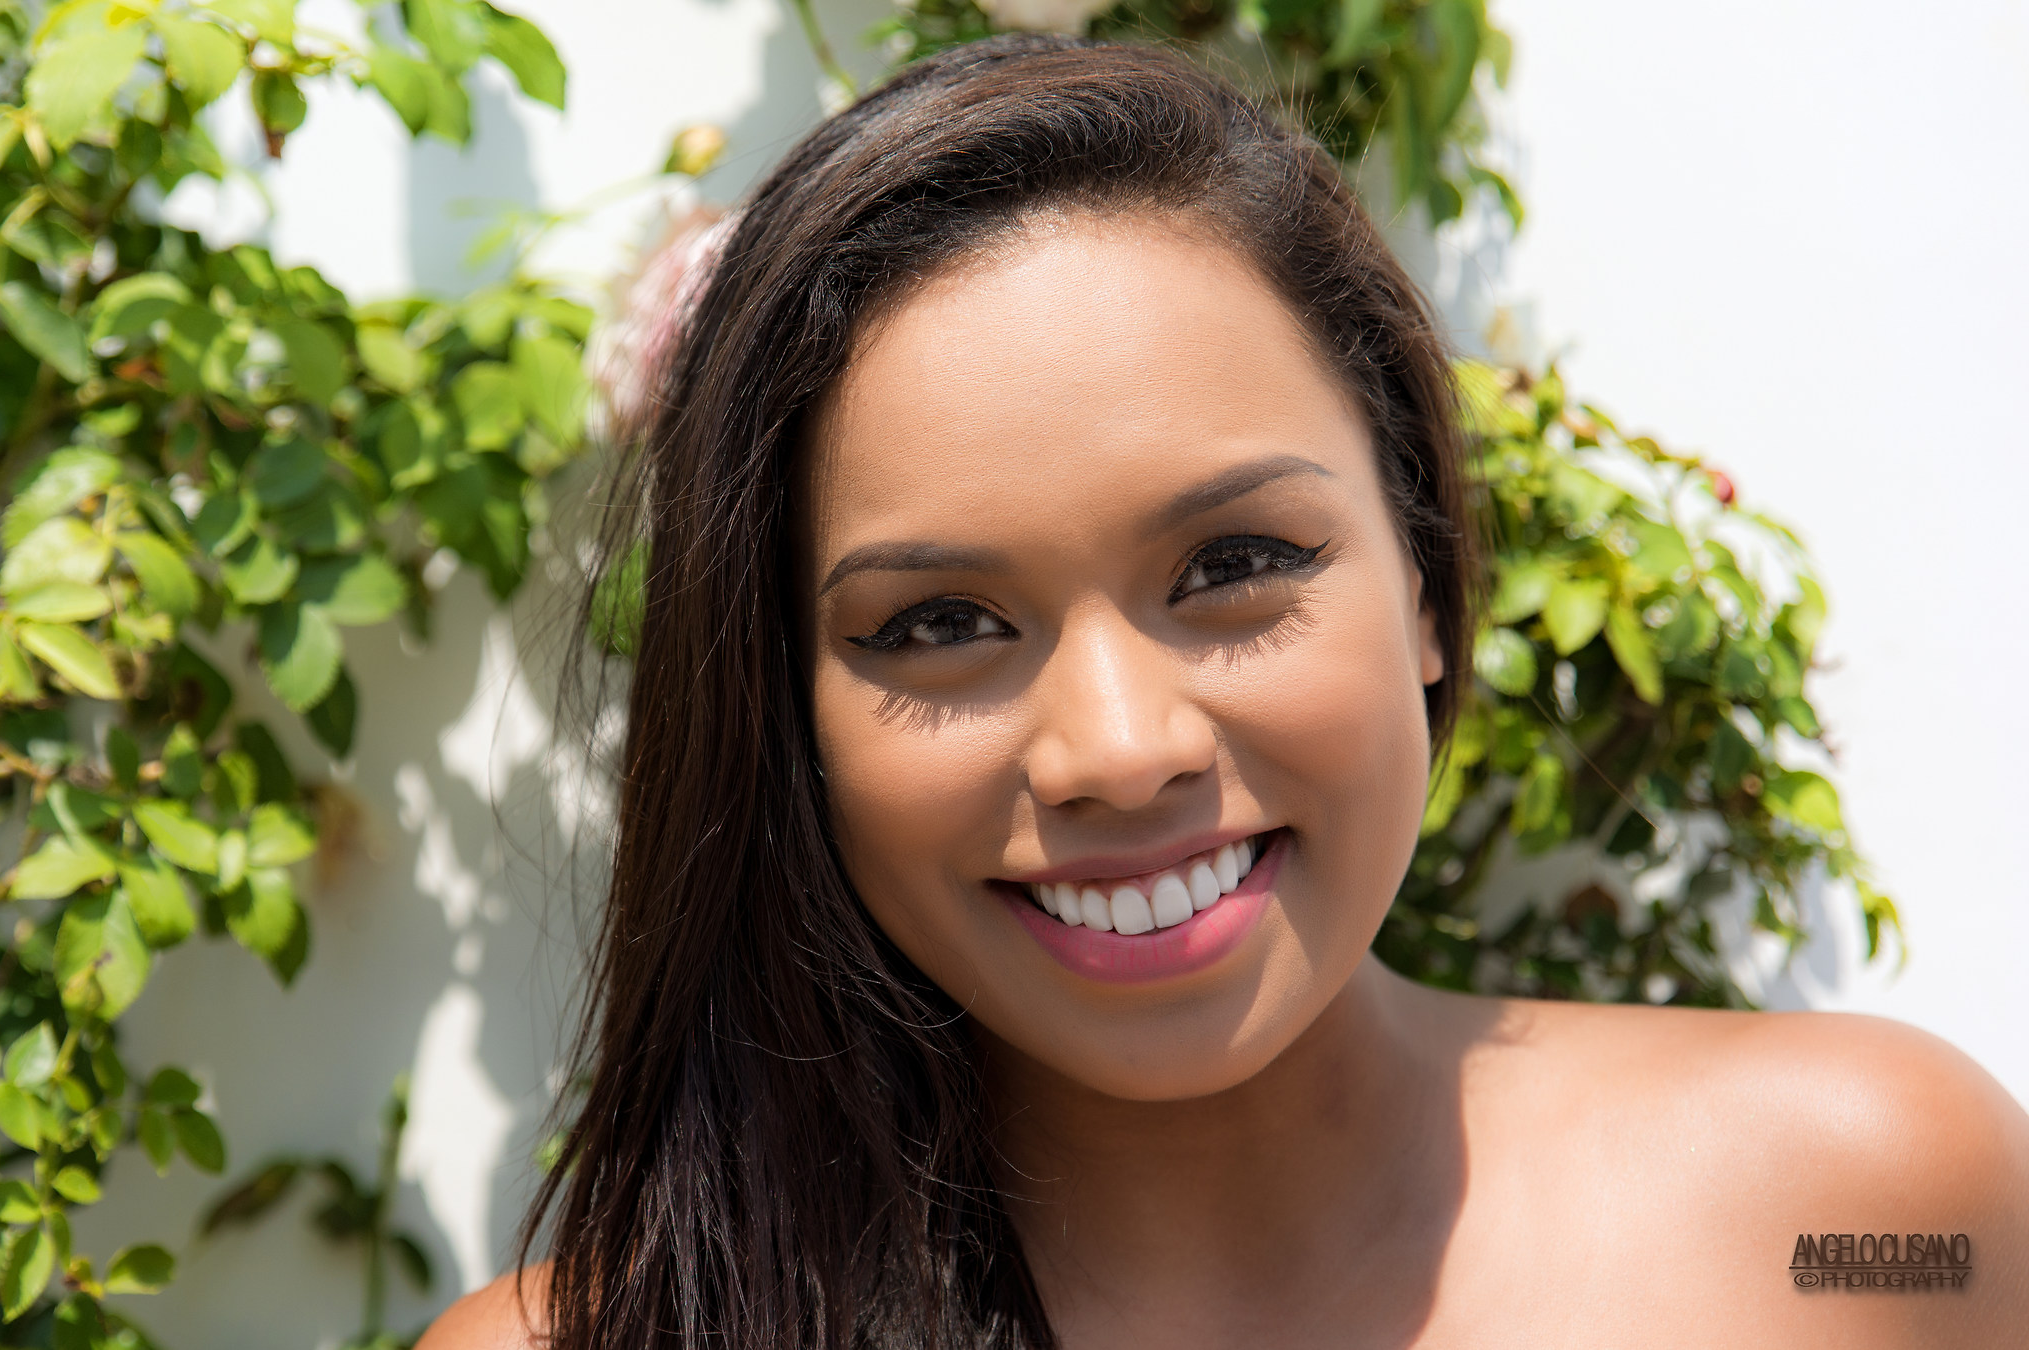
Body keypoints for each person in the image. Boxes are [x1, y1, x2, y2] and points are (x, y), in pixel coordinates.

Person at [424, 34, 2029, 1349]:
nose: (1121, 751)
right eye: (936, 625)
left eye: (1231, 564)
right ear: (788, 719)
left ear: (1420, 583)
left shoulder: (1864, 1216)